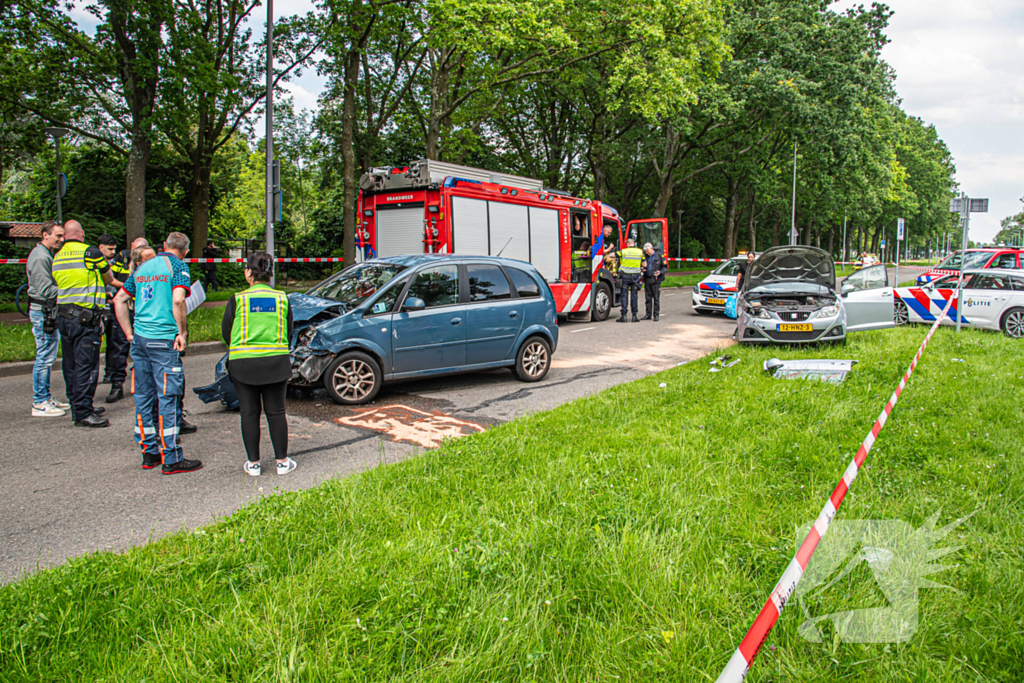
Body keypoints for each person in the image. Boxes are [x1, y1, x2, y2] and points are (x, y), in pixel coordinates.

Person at [113, 231, 202, 473]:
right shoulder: (177, 266)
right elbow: (178, 300)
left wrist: (130, 333)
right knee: (168, 397)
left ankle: (149, 453)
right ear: (185, 250)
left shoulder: (142, 267)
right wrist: (181, 334)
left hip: (140, 340)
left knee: (143, 396)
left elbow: (120, 298)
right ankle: (171, 458)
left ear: (164, 245)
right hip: (163, 340)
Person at [221, 252, 297, 476]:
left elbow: (227, 332)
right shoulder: (282, 298)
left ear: (248, 273)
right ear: (271, 274)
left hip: (243, 364)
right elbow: (289, 330)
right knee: (276, 412)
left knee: (249, 413)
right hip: (276, 362)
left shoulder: (238, 299)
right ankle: (282, 462)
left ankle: (253, 464)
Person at [52, 220, 123, 427]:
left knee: (70, 363)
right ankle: (84, 412)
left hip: (64, 315)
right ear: (81, 234)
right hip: (85, 316)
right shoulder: (90, 253)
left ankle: (78, 404)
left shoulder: (57, 256)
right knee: (86, 365)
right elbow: (108, 277)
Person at [26, 221, 69, 417]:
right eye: (57, 236)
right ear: (45, 235)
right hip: (42, 311)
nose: (61, 239)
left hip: (46, 311)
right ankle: (39, 402)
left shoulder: (46, 255)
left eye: (62, 236)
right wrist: (70, 289)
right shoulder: (41, 257)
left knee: (48, 356)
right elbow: (46, 291)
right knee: (44, 357)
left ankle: (45, 396)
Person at [97, 234, 132, 403]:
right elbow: (111, 280)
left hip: (133, 308)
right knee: (117, 344)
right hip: (118, 307)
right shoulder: (119, 260)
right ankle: (115, 380)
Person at [616, 238, 643, 323]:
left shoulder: (623, 251)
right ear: (634, 244)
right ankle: (634, 316)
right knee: (634, 296)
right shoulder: (640, 252)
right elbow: (644, 264)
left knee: (624, 295)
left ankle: (624, 316)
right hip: (635, 277)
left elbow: (612, 255)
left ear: (628, 244)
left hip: (625, 276)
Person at [641, 242, 665, 321]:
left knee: (656, 298)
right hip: (647, 279)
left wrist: (660, 272)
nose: (646, 253)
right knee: (648, 298)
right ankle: (648, 314)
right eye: (646, 251)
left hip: (656, 280)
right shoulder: (645, 257)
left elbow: (665, 267)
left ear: (651, 249)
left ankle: (656, 314)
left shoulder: (659, 256)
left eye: (648, 251)